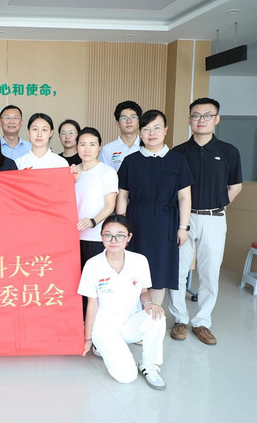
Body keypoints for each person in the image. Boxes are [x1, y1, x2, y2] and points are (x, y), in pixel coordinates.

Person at [168, 97, 243, 345]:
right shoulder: (178, 152)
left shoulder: (229, 151)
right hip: (183, 220)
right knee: (178, 271)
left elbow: (236, 185)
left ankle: (202, 322)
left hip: (214, 219)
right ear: (189, 120)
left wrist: (220, 204)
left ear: (217, 119)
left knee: (210, 273)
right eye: (196, 115)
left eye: (207, 115)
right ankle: (180, 319)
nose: (201, 120)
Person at [79, 214, 166, 390]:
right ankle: (100, 345)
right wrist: (87, 339)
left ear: (129, 237)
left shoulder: (139, 261)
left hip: (130, 323)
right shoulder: (93, 265)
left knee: (157, 316)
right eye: (108, 235)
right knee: (127, 377)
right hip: (105, 328)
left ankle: (148, 365)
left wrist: (149, 304)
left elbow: (143, 292)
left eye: (120, 235)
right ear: (101, 236)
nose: (113, 240)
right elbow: (92, 305)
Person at [116, 109, 193, 307]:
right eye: (146, 129)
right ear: (140, 132)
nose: (152, 133)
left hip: (165, 224)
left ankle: (153, 317)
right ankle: (134, 316)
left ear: (165, 130)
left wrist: (183, 228)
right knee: (133, 272)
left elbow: (184, 197)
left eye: (157, 128)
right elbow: (123, 195)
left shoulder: (178, 160)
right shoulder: (131, 161)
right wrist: (120, 227)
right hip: (136, 222)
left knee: (159, 273)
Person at [70, 127, 118, 318]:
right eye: (82, 144)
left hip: (94, 237)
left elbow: (110, 205)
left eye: (92, 144)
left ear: (100, 147)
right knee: (74, 283)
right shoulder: (72, 172)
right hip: (71, 238)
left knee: (94, 284)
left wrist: (92, 221)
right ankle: (78, 323)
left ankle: (95, 326)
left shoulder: (107, 172)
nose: (87, 149)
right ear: (77, 147)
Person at [99, 101, 142, 172]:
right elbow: (103, 175)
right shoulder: (107, 150)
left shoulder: (146, 147)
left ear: (139, 122)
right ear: (117, 123)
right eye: (124, 118)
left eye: (133, 117)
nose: (129, 121)